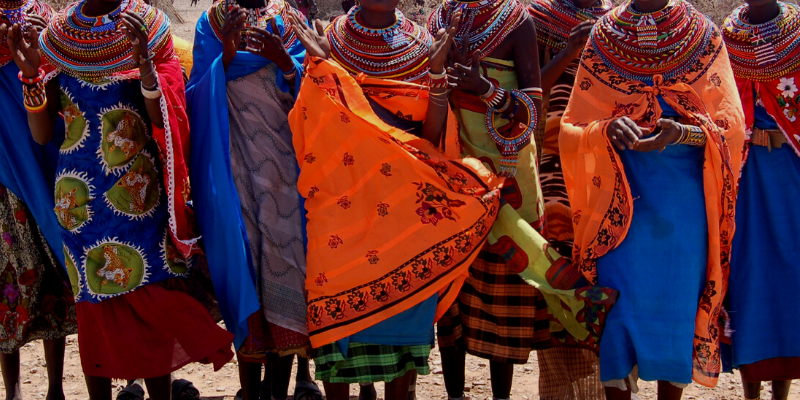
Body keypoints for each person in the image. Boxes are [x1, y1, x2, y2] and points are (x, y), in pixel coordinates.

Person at [4, 0, 236, 397]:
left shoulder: (148, 25)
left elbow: (164, 116)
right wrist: (30, 78)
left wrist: (146, 70)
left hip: (139, 195)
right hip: (78, 203)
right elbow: (43, 135)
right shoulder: (59, 35)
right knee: (94, 307)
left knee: (152, 297)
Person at [287, 3, 509, 399]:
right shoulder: (331, 39)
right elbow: (312, 121)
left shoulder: (422, 44)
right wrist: (322, 70)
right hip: (341, 205)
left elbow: (432, 134)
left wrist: (437, 71)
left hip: (406, 209)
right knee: (337, 345)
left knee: (402, 354)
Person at [427, 1, 617, 399]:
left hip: (509, 176)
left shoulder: (517, 22)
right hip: (454, 170)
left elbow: (532, 108)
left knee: (507, 287)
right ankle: (455, 394)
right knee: (452, 294)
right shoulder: (441, 19)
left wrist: (484, 89)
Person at [559, 0, 745, 398]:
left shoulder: (702, 35)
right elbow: (573, 126)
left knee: (675, 309)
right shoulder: (604, 36)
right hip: (619, 202)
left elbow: (730, 128)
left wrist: (681, 133)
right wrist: (606, 129)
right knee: (619, 311)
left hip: (683, 206)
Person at [185, 0, 322, 399]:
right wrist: (226, 56)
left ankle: (278, 390)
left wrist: (283, 62)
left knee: (285, 269)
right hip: (233, 171)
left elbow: (310, 89)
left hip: (284, 172)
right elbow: (196, 94)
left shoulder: (289, 19)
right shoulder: (211, 24)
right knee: (242, 269)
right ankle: (250, 390)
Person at [527, 0, 611, 398]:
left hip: (606, 170)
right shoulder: (539, 18)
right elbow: (527, 93)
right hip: (552, 168)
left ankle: (603, 386)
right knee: (559, 277)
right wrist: (568, 52)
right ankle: (560, 391)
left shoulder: (621, 23)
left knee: (603, 269)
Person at [722, 2, 800, 399]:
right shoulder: (728, 38)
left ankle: (781, 392)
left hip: (791, 174)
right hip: (744, 176)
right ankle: (750, 389)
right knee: (747, 273)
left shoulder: (797, 33)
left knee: (789, 272)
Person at [0, 2, 77, 400]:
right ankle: (12, 390)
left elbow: (59, 79)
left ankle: (55, 388)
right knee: (7, 272)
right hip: (3, 164)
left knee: (52, 264)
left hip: (44, 156)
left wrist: (38, 45)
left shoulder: (43, 15)